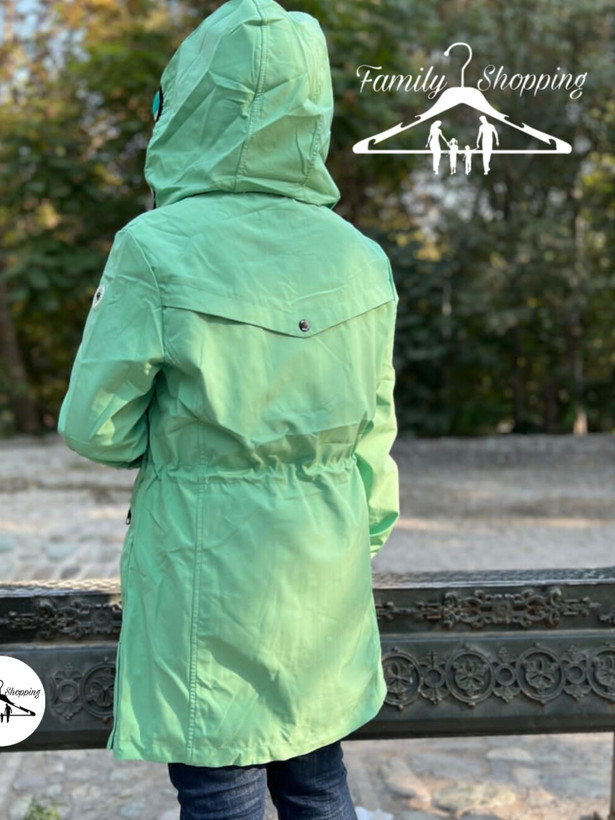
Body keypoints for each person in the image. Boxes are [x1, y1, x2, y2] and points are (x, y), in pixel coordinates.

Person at [58, 0, 399, 817]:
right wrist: (357, 531)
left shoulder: (153, 247)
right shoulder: (360, 257)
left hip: (204, 560)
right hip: (322, 562)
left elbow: (94, 426)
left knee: (220, 784)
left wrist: (180, 441)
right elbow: (374, 431)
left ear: (186, 101)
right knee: (317, 779)